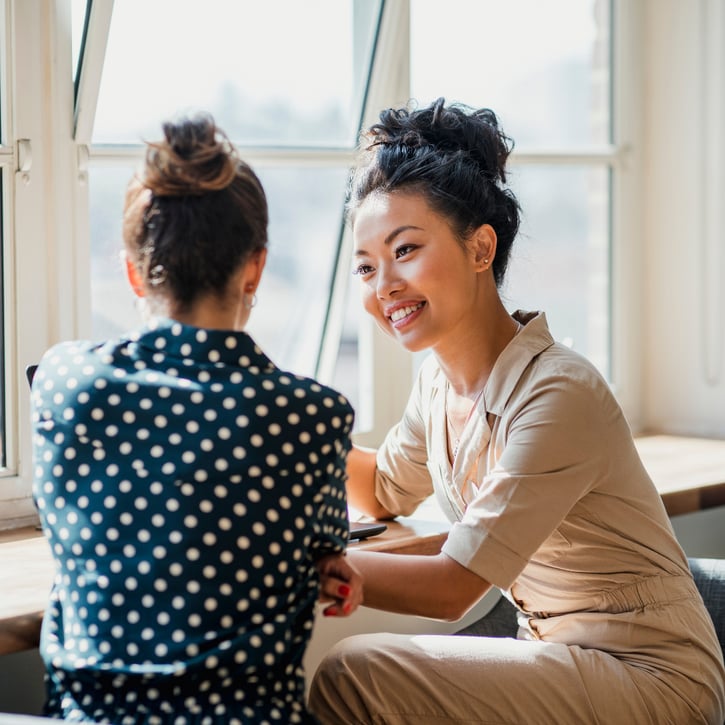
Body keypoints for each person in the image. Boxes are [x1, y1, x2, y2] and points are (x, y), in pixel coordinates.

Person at [308, 97, 725, 724]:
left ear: (481, 250)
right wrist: (285, 426)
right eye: (366, 267)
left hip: (655, 680)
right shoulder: (437, 387)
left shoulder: (558, 391)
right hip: (559, 660)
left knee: (353, 671)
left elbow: (454, 587)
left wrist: (289, 563)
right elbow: (387, 489)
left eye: (406, 250)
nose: (383, 285)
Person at [31, 113, 361, 724]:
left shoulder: (62, 381)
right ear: (254, 268)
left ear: (134, 272)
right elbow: (324, 552)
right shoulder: (314, 416)